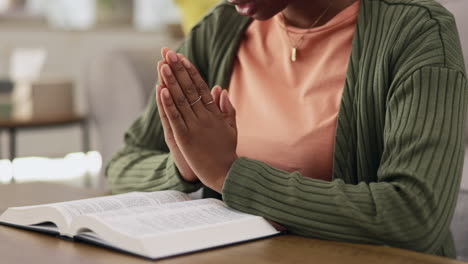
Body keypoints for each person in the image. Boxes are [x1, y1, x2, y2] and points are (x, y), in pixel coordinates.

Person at [106, 0, 468, 258]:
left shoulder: (417, 32)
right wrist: (186, 167)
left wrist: (228, 174)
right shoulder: (220, 29)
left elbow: (415, 216)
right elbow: (122, 166)